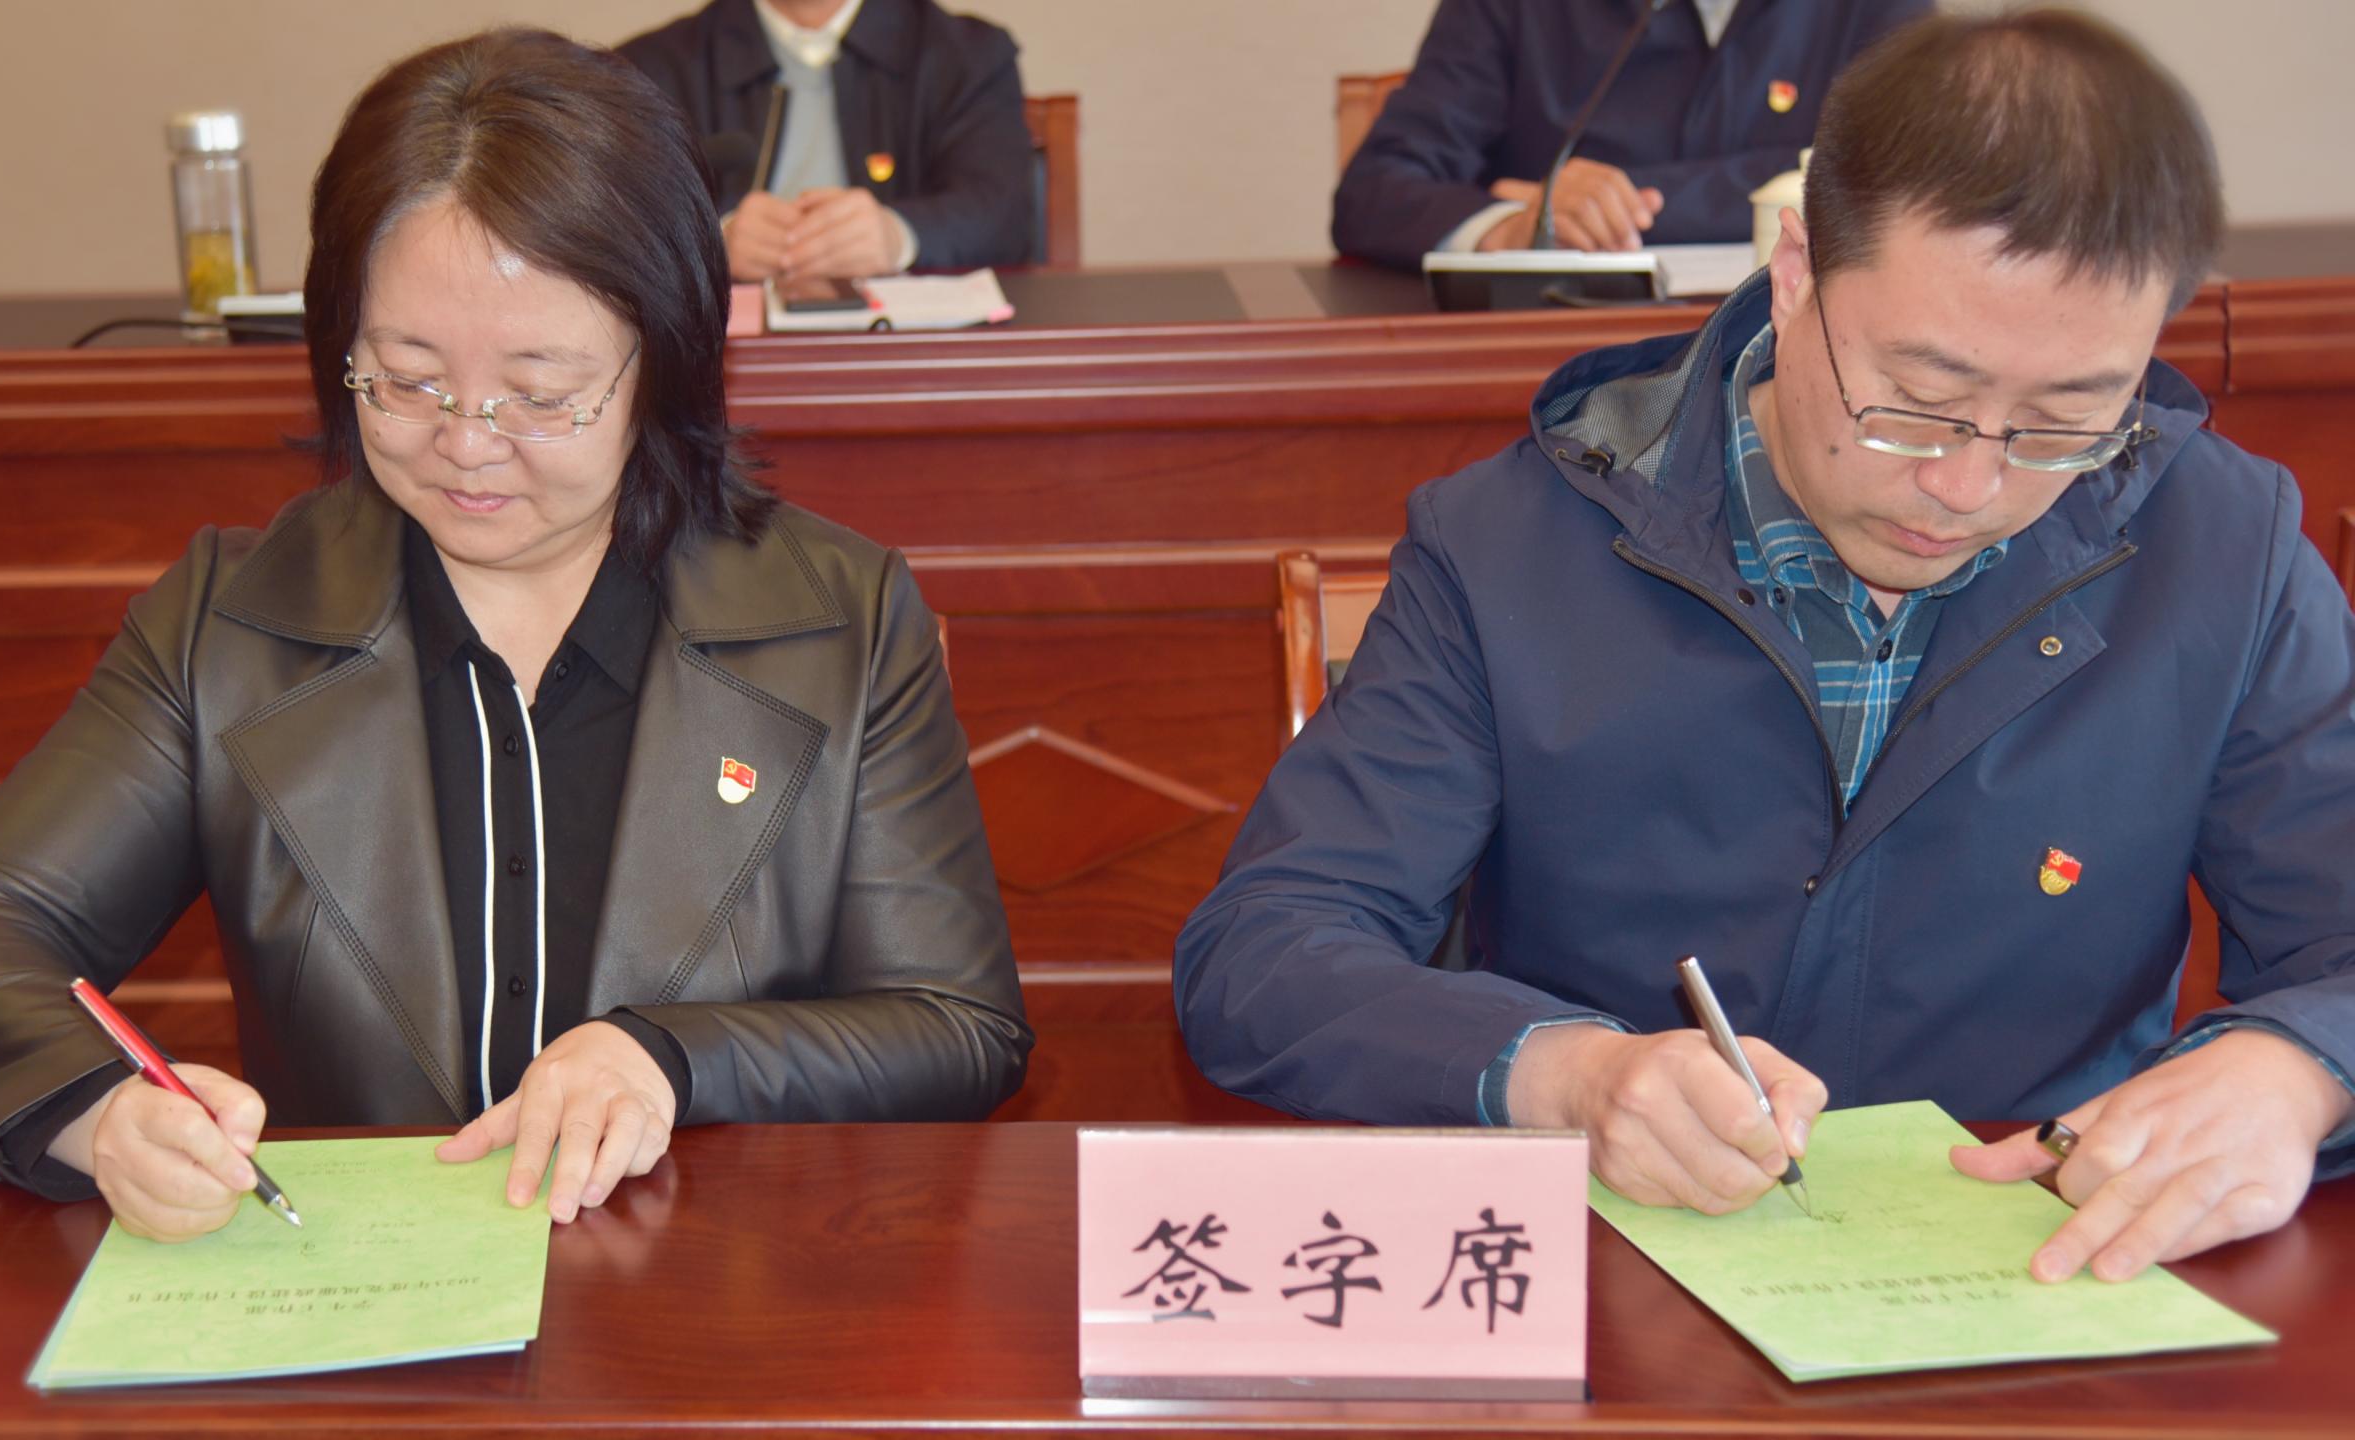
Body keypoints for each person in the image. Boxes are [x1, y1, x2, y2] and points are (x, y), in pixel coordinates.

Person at [1183, 8, 2355, 1285]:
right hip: (1619, 1275)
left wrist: (2300, 1069)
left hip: (2048, 1269)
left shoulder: (2223, 549)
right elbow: (1268, 948)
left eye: (2065, 422)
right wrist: (1566, 1076)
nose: (1967, 487)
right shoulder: (1512, 544)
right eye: (1917, 402)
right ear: (1795, 272)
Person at [0, 28, 1030, 1244]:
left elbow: (956, 1025)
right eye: (408, 377)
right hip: (357, 1295)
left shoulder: (840, 616)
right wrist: (100, 1113)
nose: (468, 444)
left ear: (665, 362)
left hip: (719, 1291)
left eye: (539, 393)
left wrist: (675, 1059)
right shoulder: (235, 622)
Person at [1332, 0, 1926, 269]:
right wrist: (1509, 226)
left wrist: (1596, 207)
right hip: (1556, 372)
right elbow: (1373, 192)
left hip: (1788, 357)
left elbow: (1890, 181)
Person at [619, 0, 1036, 281]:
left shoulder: (969, 57)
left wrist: (898, 236)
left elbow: (1002, 211)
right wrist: (713, 242)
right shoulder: (650, 67)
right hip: (718, 369)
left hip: (912, 361)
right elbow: (616, 225)